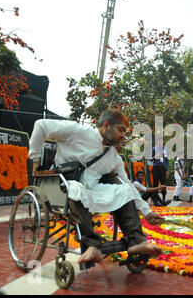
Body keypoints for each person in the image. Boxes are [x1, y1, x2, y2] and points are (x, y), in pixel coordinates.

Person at [28, 108, 164, 265]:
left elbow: (129, 185)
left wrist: (147, 211)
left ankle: (136, 241)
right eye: (121, 130)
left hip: (91, 190)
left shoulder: (114, 157)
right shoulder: (77, 131)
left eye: (125, 133)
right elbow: (41, 125)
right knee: (76, 188)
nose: (123, 136)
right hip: (61, 184)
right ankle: (93, 245)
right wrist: (36, 158)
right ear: (106, 125)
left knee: (125, 189)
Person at [151, 139, 169, 205]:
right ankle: (155, 201)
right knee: (155, 184)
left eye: (161, 141)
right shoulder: (153, 149)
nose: (160, 142)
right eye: (159, 141)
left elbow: (167, 160)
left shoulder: (165, 149)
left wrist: (167, 170)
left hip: (163, 168)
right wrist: (155, 157)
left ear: (163, 141)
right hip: (155, 167)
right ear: (157, 141)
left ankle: (163, 200)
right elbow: (150, 159)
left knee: (163, 184)